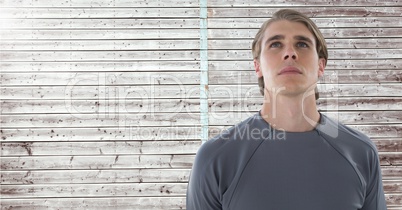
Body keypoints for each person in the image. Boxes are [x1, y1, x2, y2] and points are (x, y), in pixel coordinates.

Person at [186, 9, 387, 210]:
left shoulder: (361, 153)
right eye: (275, 44)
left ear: (321, 66)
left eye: (302, 44)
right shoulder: (216, 158)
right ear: (258, 67)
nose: (290, 52)